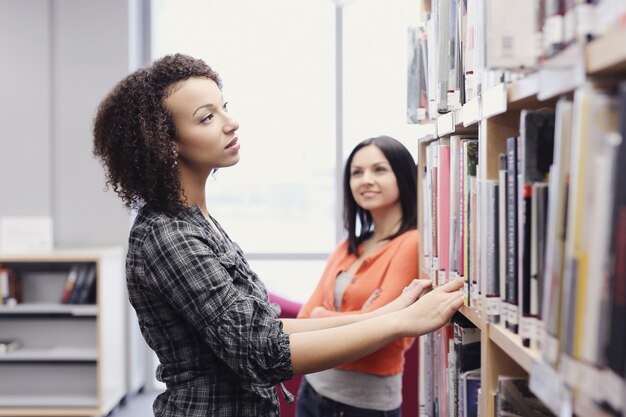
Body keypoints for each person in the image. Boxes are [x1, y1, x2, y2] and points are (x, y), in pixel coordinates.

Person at [92, 53, 465, 417]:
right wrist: (401, 323)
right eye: (207, 118)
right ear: (167, 143)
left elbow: (264, 326)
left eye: (225, 107)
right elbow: (260, 351)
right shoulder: (167, 235)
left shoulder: (196, 222)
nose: (231, 122)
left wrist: (385, 313)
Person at [296, 135, 420, 417]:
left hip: (365, 405)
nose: (365, 179)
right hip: (313, 390)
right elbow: (304, 317)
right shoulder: (347, 246)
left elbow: (382, 331)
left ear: (402, 175)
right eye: (356, 172)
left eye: (379, 169)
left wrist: (321, 316)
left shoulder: (412, 243)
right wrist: (362, 317)